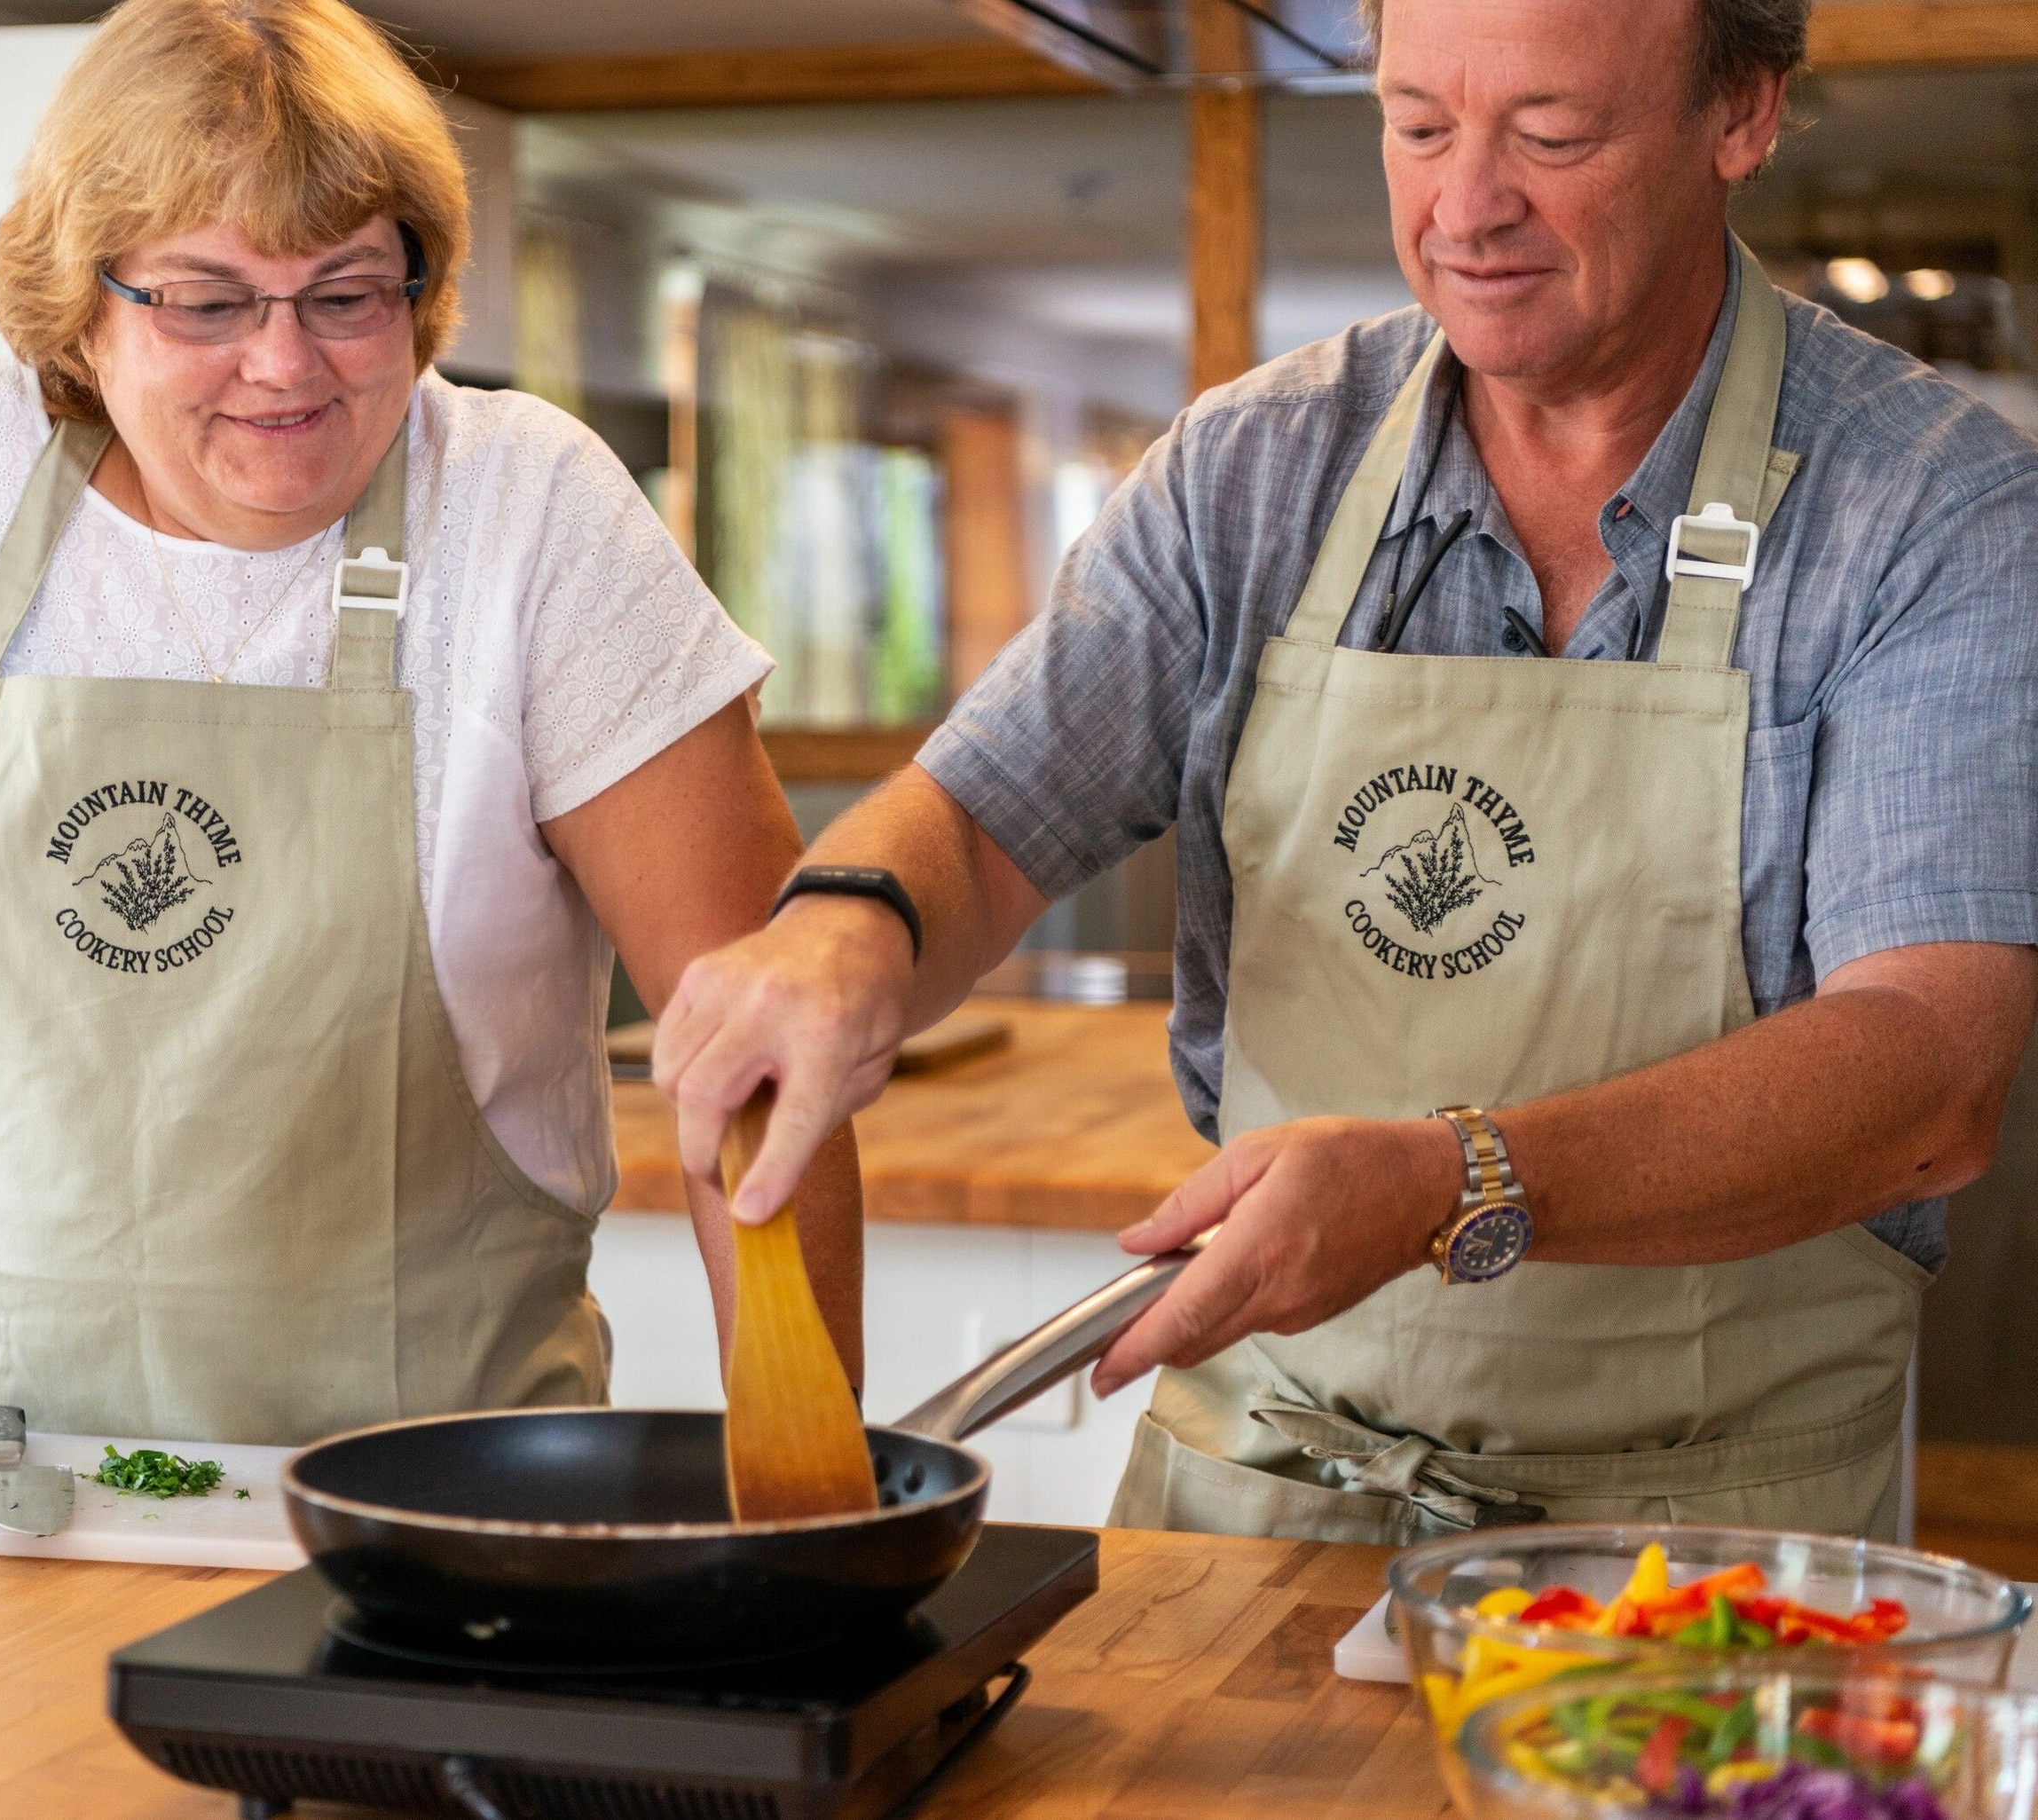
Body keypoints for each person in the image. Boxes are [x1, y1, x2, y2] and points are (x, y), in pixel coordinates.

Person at [0, 0, 862, 1505]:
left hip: (433, 1526)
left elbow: (764, 1037)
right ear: (81, 308)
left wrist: (806, 1458)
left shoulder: (530, 517)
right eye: (206, 302)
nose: (285, 363)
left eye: (349, 293)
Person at [655, 0, 2038, 1541]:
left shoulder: (1932, 511)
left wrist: (1452, 1184)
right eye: (1418, 124)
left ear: (1744, 116)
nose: (1466, 208)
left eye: (1552, 132)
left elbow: (1926, 1069)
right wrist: (846, 930)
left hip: (1707, 1545)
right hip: (1256, 1504)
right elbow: (983, 822)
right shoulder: (1256, 468)